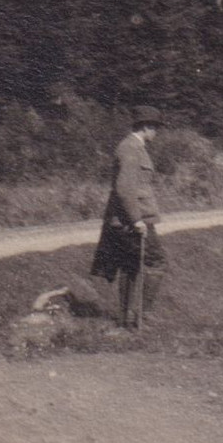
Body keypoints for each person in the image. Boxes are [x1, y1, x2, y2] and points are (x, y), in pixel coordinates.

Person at [90, 106, 168, 328]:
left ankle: (127, 320)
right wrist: (136, 220)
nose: (157, 133)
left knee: (130, 265)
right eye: (155, 128)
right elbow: (124, 188)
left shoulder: (133, 147)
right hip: (132, 220)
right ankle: (142, 316)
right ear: (146, 127)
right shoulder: (131, 148)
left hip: (126, 219)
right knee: (156, 262)